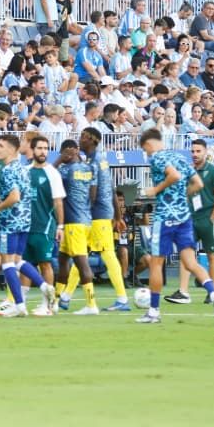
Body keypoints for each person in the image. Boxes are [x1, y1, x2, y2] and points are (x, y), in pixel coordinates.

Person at [136, 128, 214, 325]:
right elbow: (198, 184)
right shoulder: (179, 157)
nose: (147, 154)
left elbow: (174, 176)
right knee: (191, 262)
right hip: (185, 217)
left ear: (149, 145)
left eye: (146, 150)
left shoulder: (157, 158)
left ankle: (153, 311)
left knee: (156, 263)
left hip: (165, 217)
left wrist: (155, 190)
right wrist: (181, 197)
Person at [0, 134, 50, 318]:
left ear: (12, 149)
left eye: (1, 145)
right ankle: (45, 286)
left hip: (9, 222)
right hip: (24, 221)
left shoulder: (7, 170)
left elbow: (14, 197)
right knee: (18, 260)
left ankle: (19, 305)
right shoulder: (22, 169)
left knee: (7, 264)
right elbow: (15, 195)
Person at [169, 138, 214, 303]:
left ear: (206, 152)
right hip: (190, 220)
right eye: (192, 151)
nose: (194, 154)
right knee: (186, 255)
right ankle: (183, 291)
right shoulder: (188, 171)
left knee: (211, 255)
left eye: (198, 151)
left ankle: (211, 292)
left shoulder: (213, 171)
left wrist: (212, 218)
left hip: (207, 219)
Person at [81, 127, 130, 311]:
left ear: (90, 140)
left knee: (106, 254)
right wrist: (117, 216)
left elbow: (93, 192)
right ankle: (64, 297)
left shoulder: (94, 161)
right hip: (104, 213)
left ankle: (122, 298)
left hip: (97, 215)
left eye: (82, 137)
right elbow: (110, 188)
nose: (80, 140)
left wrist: (82, 208)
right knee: (81, 255)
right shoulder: (102, 160)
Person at [56, 138, 99, 315]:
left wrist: (59, 160)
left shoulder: (66, 170)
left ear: (70, 151)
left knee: (81, 264)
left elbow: (47, 174)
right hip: (86, 219)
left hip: (73, 222)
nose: (61, 156)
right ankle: (57, 301)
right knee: (63, 259)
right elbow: (93, 195)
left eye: (63, 153)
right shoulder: (89, 168)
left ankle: (91, 304)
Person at [24, 135, 63, 316]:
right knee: (24, 265)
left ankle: (48, 304)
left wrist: (60, 226)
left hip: (45, 226)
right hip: (25, 226)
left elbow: (58, 202)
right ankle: (20, 303)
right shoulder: (25, 171)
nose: (43, 152)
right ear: (32, 150)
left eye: (46, 148)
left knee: (45, 264)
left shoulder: (52, 173)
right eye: (39, 148)